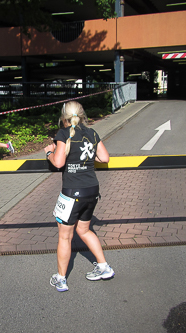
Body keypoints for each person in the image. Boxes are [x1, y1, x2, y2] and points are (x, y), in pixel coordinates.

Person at [44, 101, 114, 292]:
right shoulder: (92, 133)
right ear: (83, 115)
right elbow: (105, 158)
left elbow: (58, 162)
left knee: (65, 237)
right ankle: (103, 267)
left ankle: (60, 279)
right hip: (92, 189)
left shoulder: (64, 134)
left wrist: (49, 152)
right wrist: (89, 159)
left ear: (63, 117)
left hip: (72, 193)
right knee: (84, 230)